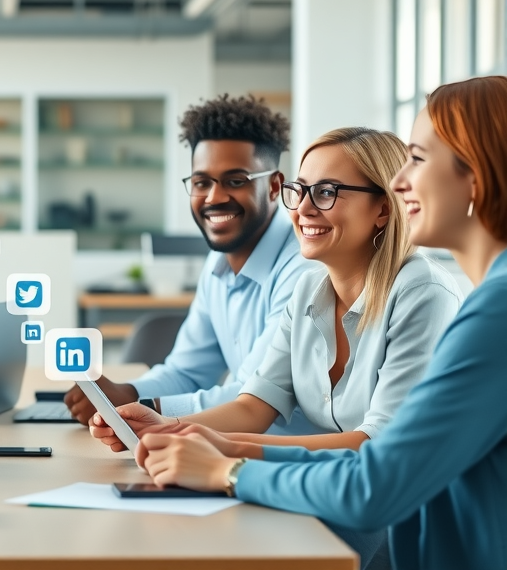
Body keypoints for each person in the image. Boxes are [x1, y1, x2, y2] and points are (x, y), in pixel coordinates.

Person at [113, 76, 507, 570]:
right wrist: (198, 438)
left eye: (419, 159)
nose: (403, 180)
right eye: (302, 190)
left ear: (478, 176)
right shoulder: (482, 301)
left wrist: (229, 469)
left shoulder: (481, 309)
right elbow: (265, 410)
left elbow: (375, 477)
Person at [90, 128, 461, 455]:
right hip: (328, 487)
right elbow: (255, 405)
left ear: (383, 208)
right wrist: (164, 427)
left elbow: (377, 444)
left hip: (398, 517)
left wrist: (219, 445)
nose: (303, 209)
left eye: (327, 192)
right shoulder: (309, 291)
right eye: (300, 191)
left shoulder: (421, 293)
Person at [63, 94, 318, 433]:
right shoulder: (218, 264)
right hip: (230, 450)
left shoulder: (304, 269)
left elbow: (250, 398)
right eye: (201, 182)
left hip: (289, 461)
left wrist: (141, 408)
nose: (214, 197)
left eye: (235, 181)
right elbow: (188, 371)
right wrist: (127, 393)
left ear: (274, 186)